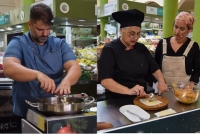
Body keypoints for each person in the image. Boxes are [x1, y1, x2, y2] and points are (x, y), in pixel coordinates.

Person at [3, 3, 81, 132]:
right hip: (25, 112)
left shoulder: (59, 44)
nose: (45, 33)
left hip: (55, 112)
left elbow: (74, 67)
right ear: (29, 24)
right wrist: (37, 74)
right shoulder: (18, 43)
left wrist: (66, 81)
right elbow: (9, 68)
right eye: (40, 29)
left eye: (48, 28)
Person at [98, 9, 168, 100]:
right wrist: (128, 90)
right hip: (117, 99)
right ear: (121, 31)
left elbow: (154, 67)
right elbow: (105, 80)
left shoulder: (141, 48)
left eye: (138, 34)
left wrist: (161, 82)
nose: (135, 37)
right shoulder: (110, 50)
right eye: (131, 34)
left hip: (141, 96)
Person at [154, 12, 200, 87]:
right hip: (164, 88)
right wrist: (160, 81)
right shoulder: (163, 43)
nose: (177, 31)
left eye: (182, 29)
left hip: (184, 89)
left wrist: (192, 84)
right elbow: (155, 66)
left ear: (189, 30)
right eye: (176, 27)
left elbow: (197, 69)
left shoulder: (193, 46)